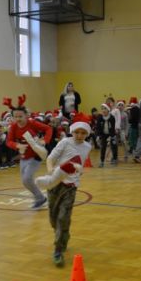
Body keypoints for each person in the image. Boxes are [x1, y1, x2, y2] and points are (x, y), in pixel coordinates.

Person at [35, 113, 92, 267]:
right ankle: (63, 234)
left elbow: (79, 165)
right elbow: (50, 158)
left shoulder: (87, 147)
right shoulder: (65, 142)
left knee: (63, 217)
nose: (79, 135)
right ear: (72, 131)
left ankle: (58, 250)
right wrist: (50, 171)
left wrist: (78, 172)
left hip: (70, 187)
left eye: (83, 133)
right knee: (54, 218)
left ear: (87, 133)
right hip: (55, 183)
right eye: (77, 132)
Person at [5, 94, 52, 209]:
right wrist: (17, 145)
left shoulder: (32, 123)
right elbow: (8, 141)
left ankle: (40, 198)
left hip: (35, 156)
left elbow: (48, 129)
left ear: (26, 115)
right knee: (25, 181)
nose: (18, 119)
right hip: (24, 156)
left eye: (20, 116)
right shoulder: (14, 127)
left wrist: (44, 140)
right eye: (15, 117)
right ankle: (40, 198)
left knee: (27, 178)